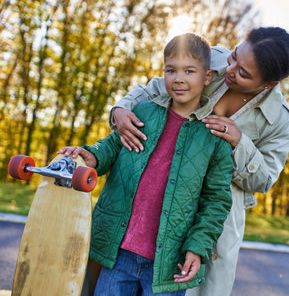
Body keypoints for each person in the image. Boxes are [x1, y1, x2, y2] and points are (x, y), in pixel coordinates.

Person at [110, 27, 289, 296]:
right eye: (234, 56)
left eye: (244, 73)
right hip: (159, 190)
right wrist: (120, 110)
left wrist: (239, 142)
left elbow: (265, 179)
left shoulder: (279, 119)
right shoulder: (213, 60)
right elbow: (153, 89)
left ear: (269, 84)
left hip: (213, 215)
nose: (230, 69)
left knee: (188, 286)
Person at [58, 33, 234, 295]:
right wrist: (89, 156)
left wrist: (197, 247)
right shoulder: (143, 112)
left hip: (168, 262)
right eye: (171, 70)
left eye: (189, 71)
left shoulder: (215, 139)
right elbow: (113, 146)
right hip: (119, 252)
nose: (179, 78)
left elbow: (216, 201)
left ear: (207, 77)